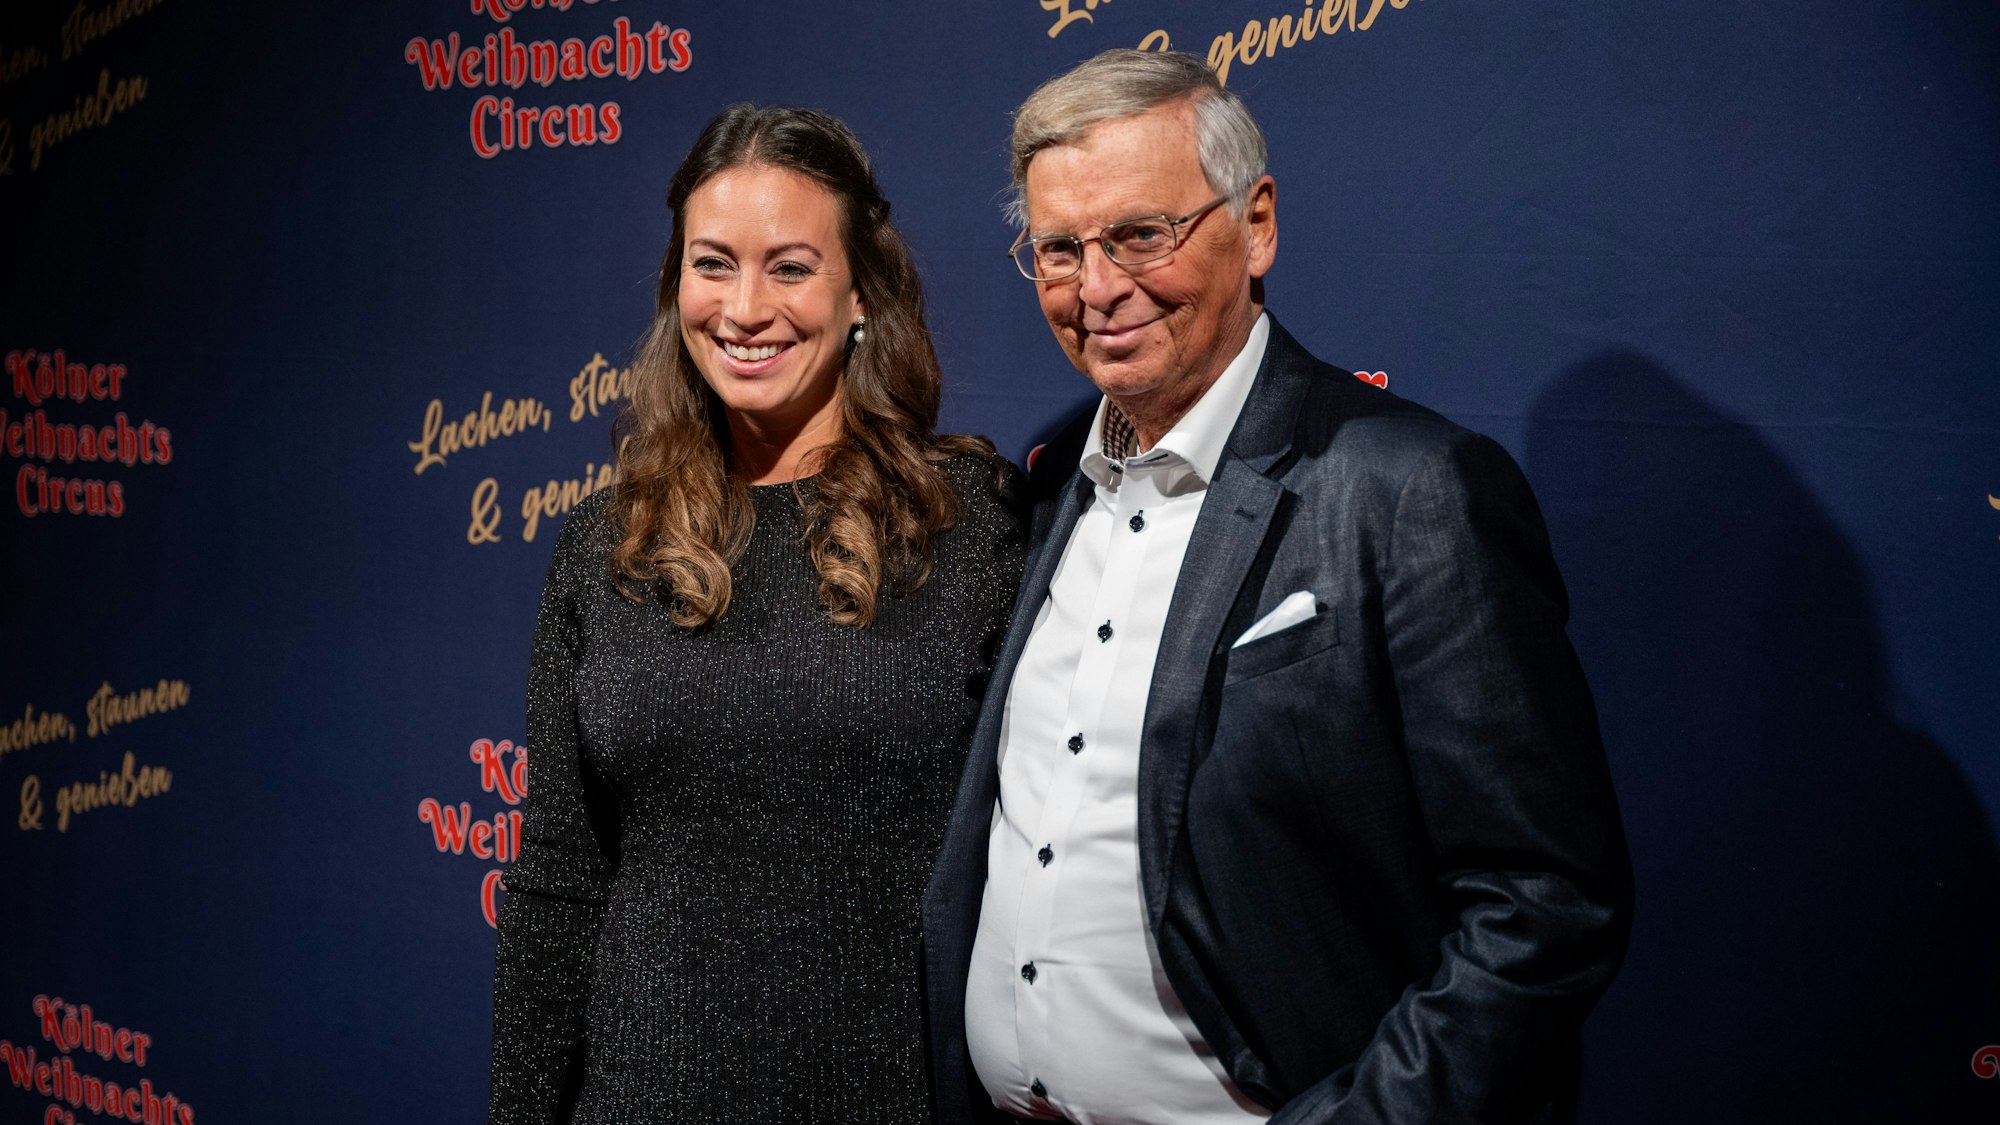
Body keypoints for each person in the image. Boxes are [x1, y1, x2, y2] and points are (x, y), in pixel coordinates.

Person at [922, 50, 1633, 1125]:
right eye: (1058, 250)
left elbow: (1542, 905)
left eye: (1138, 234)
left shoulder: (1406, 489)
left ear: (1254, 224)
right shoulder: (1045, 483)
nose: (1097, 287)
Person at [489, 104, 1024, 1124]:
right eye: (711, 264)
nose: (742, 308)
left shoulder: (969, 528)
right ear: (673, 287)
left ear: (860, 293)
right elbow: (560, 879)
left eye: (789, 267)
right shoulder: (605, 544)